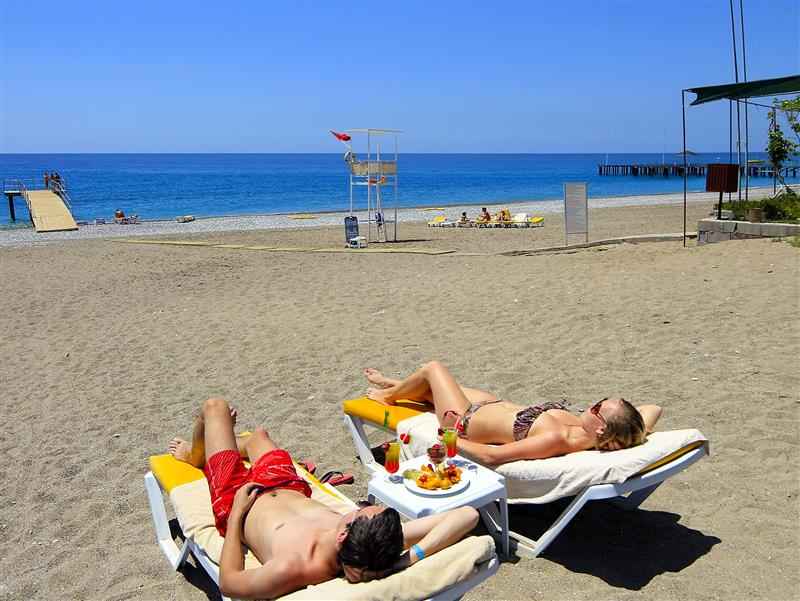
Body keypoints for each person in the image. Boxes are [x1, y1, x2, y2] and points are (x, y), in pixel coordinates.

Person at [168, 397, 479, 600]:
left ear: (343, 534)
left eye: (362, 510)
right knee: (258, 436)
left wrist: (236, 514)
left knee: (215, 408)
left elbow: (231, 583)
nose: (363, 506)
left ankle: (196, 455)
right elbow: (467, 515)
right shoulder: (372, 542)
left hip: (236, 495)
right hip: (286, 482)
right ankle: (220, 442)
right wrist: (408, 558)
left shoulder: (293, 567)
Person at [364, 363, 662, 467]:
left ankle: (388, 395)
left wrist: (448, 438)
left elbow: (493, 456)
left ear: (601, 431)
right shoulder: (599, 431)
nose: (592, 405)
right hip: (491, 405)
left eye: (597, 408)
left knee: (433, 370)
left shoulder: (558, 438)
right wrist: (636, 434)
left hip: (464, 420)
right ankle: (393, 383)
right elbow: (653, 409)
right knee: (432, 388)